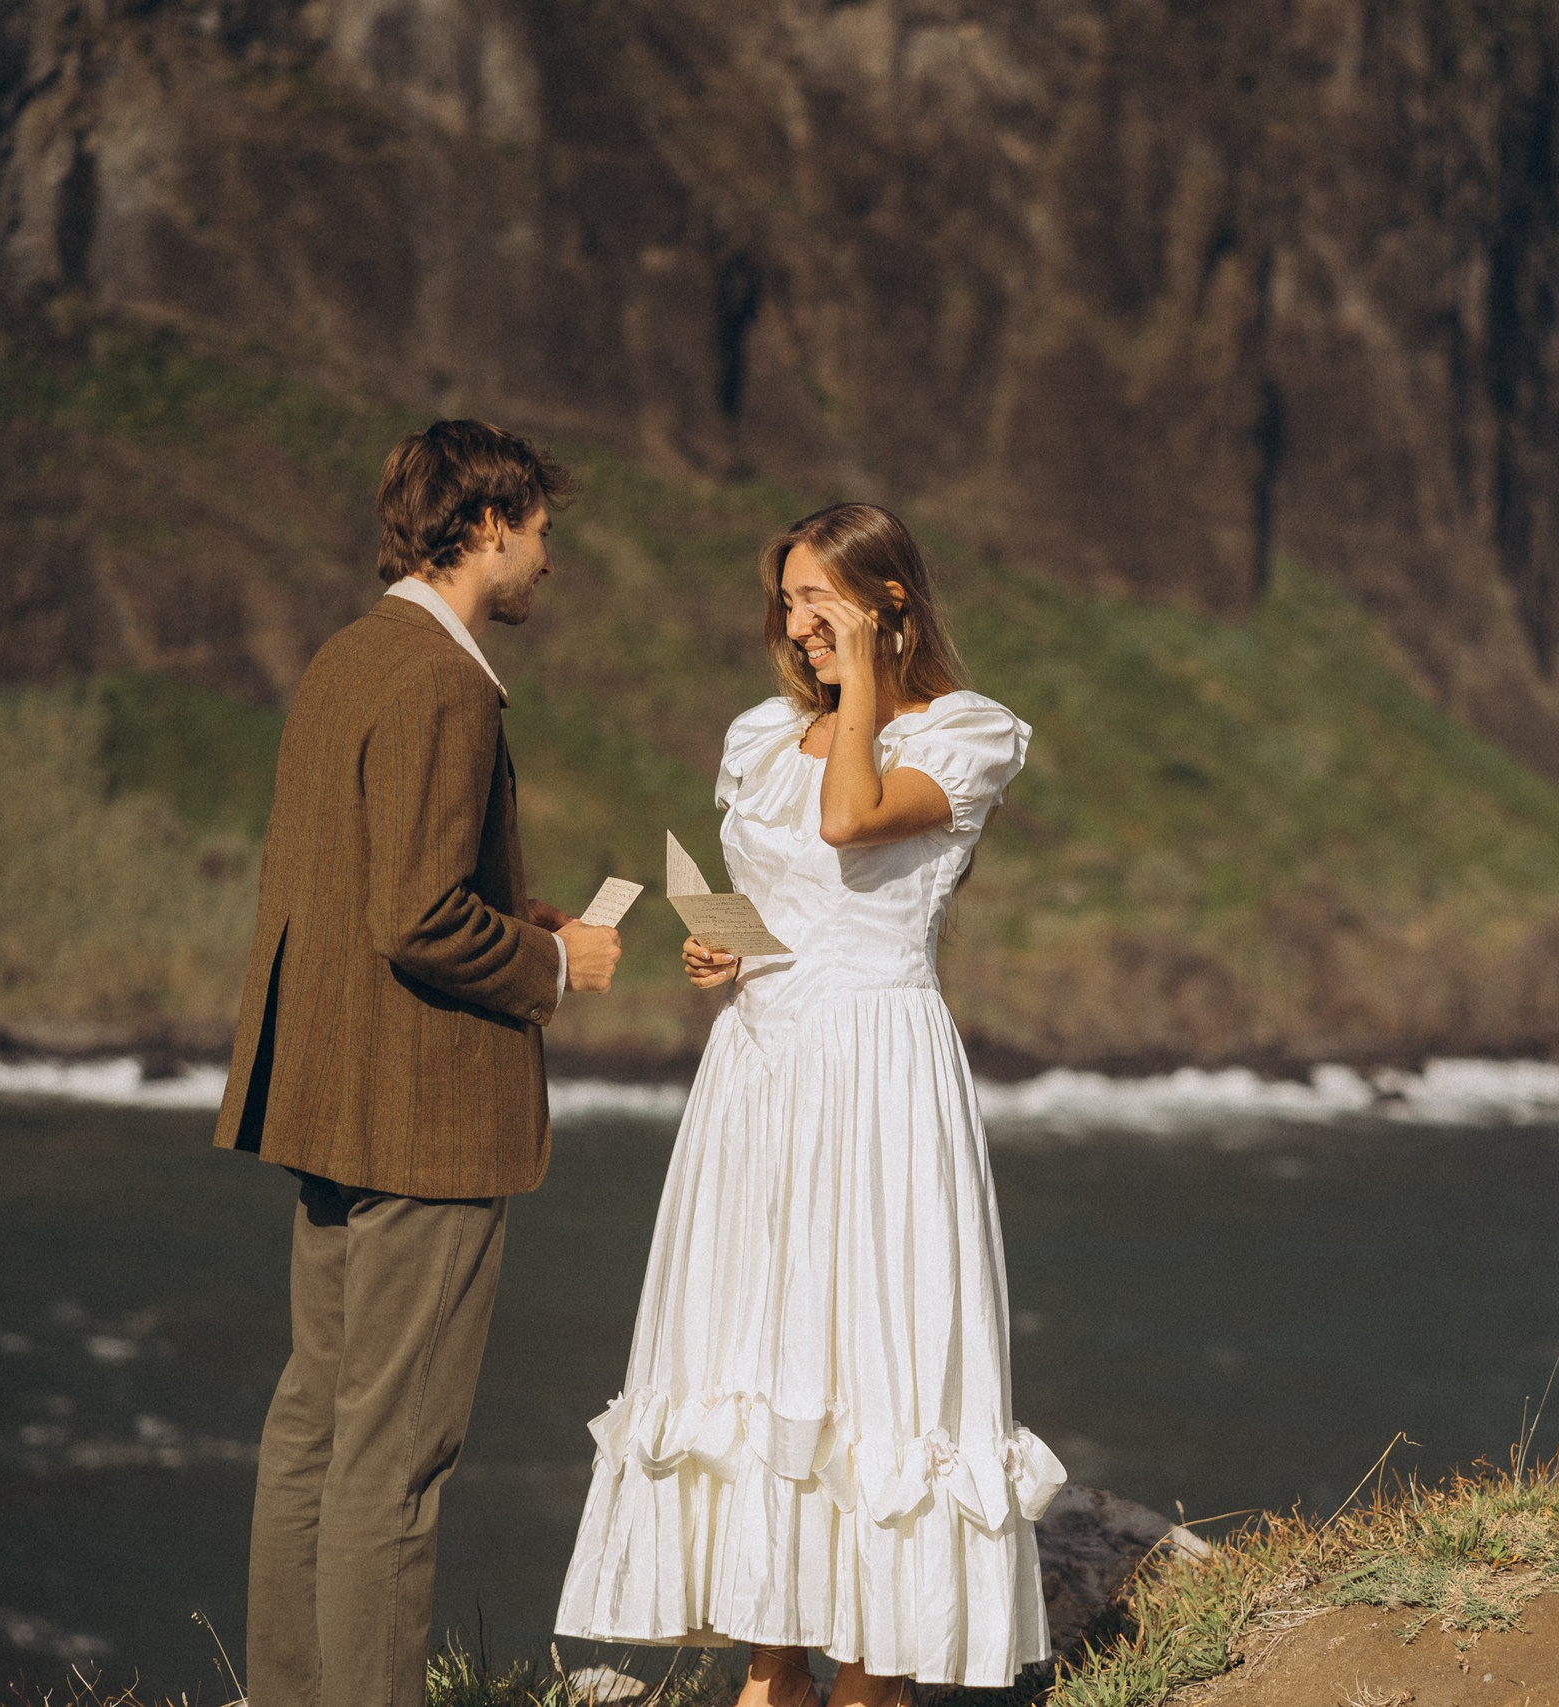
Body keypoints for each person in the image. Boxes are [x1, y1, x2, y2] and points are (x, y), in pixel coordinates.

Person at [556, 503, 1060, 1706]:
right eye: (788, 603)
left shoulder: (970, 733)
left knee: (873, 1359)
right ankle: (770, 1671)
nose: (798, 626)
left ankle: (871, 1677)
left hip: (876, 1075)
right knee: (763, 1354)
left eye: (822, 602)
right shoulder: (760, 733)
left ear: (892, 602)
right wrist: (726, 951)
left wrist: (867, 688)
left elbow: (850, 822)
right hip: (758, 1077)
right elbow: (775, 893)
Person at [214, 419, 624, 1707]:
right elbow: (412, 916)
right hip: (425, 1119)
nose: (549, 556)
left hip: (330, 1100)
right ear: (488, 526)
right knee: (393, 1461)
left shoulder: (349, 656)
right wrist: (556, 968)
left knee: (314, 1432)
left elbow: (367, 888)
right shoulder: (448, 680)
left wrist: (521, 919)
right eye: (541, 530)